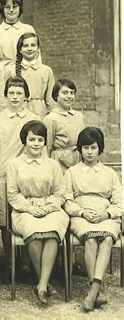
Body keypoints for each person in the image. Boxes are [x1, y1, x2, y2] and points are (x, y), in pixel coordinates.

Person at [6, 120, 69, 306]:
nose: (35, 143)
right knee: (33, 232)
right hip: (24, 209)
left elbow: (60, 192)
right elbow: (12, 194)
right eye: (31, 139)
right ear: (24, 141)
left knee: (51, 233)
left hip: (50, 208)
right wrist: (30, 208)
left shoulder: (53, 165)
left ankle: (41, 285)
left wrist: (47, 207)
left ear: (44, 142)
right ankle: (45, 282)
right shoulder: (14, 164)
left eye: (40, 139)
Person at [64, 127, 122, 311]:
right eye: (86, 148)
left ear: (100, 149)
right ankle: (95, 290)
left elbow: (120, 201)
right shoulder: (71, 172)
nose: (89, 152)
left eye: (93, 148)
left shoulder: (110, 174)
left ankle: (93, 291)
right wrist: (81, 213)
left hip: (106, 214)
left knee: (106, 238)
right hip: (82, 214)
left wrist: (107, 214)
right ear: (80, 149)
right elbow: (66, 200)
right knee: (90, 239)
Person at [0, 77, 40, 233]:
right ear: (6, 95)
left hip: (25, 171)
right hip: (2, 173)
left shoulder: (33, 118)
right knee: (6, 218)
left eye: (19, 93)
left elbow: (39, 148)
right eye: (11, 93)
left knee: (25, 212)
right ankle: (8, 256)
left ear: (26, 96)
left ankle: (25, 255)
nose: (15, 97)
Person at [3, 32, 54, 117]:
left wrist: (49, 115)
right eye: (25, 46)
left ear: (38, 49)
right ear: (20, 49)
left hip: (39, 112)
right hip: (18, 111)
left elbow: (50, 100)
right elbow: (5, 97)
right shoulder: (11, 71)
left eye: (33, 45)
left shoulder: (46, 70)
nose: (29, 49)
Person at [0, 0, 36, 71]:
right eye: (7, 7)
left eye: (14, 7)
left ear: (19, 8)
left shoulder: (28, 29)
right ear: (2, 9)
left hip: (26, 70)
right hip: (2, 73)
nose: (11, 10)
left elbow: (37, 56)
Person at [44, 79, 85, 172]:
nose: (69, 96)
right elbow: (47, 148)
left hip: (78, 161)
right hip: (59, 164)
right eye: (65, 93)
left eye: (72, 93)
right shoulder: (50, 119)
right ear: (56, 95)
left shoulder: (79, 116)